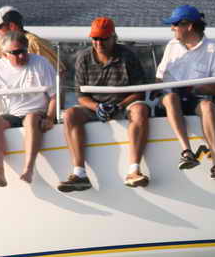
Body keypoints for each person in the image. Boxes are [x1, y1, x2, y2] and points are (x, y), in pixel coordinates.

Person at [58, 17, 151, 192]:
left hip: (123, 105)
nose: (98, 43)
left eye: (103, 38)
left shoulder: (128, 56)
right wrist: (97, 107)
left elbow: (139, 92)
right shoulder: (83, 58)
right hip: (94, 107)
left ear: (114, 37)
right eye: (95, 38)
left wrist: (120, 106)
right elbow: (81, 96)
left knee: (140, 109)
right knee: (70, 114)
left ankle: (134, 170)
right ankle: (79, 174)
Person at [156, 5, 215, 181]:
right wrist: (156, 89)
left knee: (207, 106)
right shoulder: (171, 45)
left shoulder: (213, 49)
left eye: (175, 24)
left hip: (196, 100)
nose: (172, 28)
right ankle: (187, 151)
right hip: (170, 101)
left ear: (189, 26)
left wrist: (199, 89)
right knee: (171, 97)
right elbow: (159, 77)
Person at [0, 30, 57, 186]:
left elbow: (55, 96)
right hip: (14, 114)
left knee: (31, 119)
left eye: (23, 51)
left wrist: (50, 118)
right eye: (15, 53)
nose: (21, 56)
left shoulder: (41, 63)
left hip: (38, 112)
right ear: (4, 54)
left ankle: (29, 169)